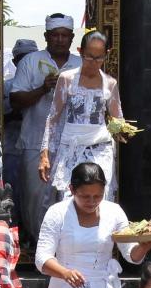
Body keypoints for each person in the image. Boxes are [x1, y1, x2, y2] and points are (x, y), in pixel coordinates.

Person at [11, 14, 82, 238]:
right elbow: (15, 101)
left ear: (71, 38)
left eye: (64, 35)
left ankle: (65, 248)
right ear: (46, 37)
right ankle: (39, 246)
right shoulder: (30, 62)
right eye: (55, 35)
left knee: (70, 196)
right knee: (35, 198)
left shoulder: (81, 64)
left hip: (72, 143)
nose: (60, 40)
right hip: (35, 141)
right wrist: (43, 88)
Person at [39, 30, 122, 201]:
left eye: (99, 58)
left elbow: (117, 119)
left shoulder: (110, 84)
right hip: (71, 146)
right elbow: (53, 118)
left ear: (106, 55)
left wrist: (121, 130)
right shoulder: (67, 79)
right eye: (89, 57)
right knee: (71, 195)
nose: (93, 62)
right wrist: (45, 154)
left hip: (100, 147)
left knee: (100, 195)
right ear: (80, 52)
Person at [2, 38, 39, 236]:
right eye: (21, 58)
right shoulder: (7, 85)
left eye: (29, 57)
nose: (25, 61)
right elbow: (2, 114)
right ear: (15, 61)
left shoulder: (46, 81)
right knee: (13, 191)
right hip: (12, 146)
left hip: (38, 145)